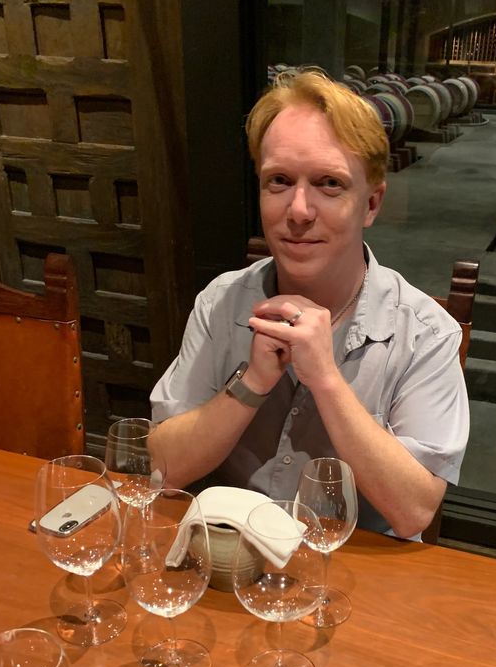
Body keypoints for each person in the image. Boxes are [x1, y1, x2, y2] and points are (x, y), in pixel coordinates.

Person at [149, 70, 469, 538]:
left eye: (329, 184)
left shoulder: (426, 332)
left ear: (372, 203)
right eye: (279, 180)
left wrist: (325, 379)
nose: (298, 211)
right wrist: (253, 382)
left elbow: (414, 510)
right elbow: (164, 466)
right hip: (228, 561)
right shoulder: (221, 301)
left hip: (354, 577)